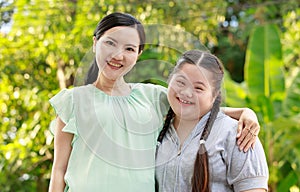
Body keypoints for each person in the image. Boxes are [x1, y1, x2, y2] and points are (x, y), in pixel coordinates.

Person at [48, 12, 261, 192]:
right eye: (110, 43)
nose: (118, 55)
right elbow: (59, 169)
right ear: (95, 43)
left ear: (139, 54)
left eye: (129, 49)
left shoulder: (151, 96)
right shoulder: (72, 100)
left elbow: (197, 107)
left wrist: (245, 112)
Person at [155, 50, 269, 192]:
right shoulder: (157, 129)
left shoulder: (239, 135)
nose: (186, 92)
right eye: (181, 82)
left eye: (198, 88)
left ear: (214, 95)